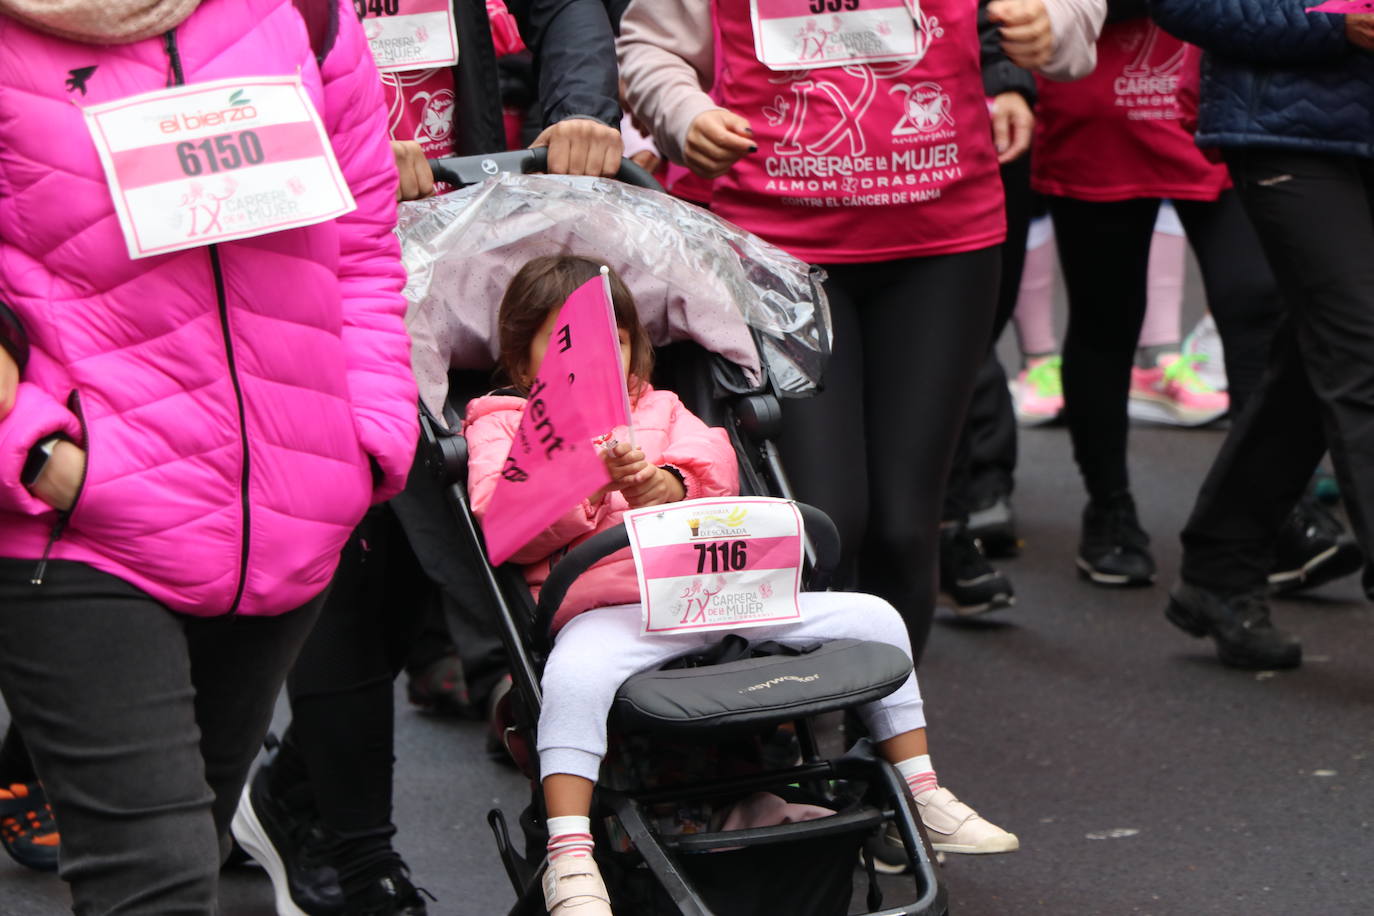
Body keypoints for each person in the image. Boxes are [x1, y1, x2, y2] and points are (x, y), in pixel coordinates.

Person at [0, 1, 418, 913]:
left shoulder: (304, 13)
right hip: (77, 530)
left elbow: (363, 241)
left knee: (193, 842)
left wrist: (367, 433)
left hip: (288, 516)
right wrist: (37, 458)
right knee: (158, 884)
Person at [465, 256, 1018, 916]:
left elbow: (717, 470)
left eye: (611, 341)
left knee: (875, 618)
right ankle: (571, 853)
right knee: (574, 679)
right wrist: (584, 478)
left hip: (721, 591)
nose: (596, 361)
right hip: (613, 610)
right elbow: (508, 526)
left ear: (636, 349)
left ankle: (922, 791)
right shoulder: (503, 424)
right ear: (527, 365)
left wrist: (662, 482)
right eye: (570, 349)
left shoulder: (662, 409)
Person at [618, 0, 1103, 662]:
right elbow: (651, 48)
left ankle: (886, 746)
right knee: (824, 520)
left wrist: (1055, 22)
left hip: (943, 248)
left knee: (907, 529)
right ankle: (805, 728)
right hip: (777, 255)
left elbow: (1070, 12)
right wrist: (685, 114)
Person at [1030, 4, 1287, 588]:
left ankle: (1264, 517)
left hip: (1210, 91)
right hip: (1096, 98)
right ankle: (1109, 509)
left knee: (1255, 307)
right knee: (1107, 318)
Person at [1150, 0, 1374, 669]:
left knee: (1318, 361)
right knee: (1362, 352)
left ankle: (1220, 569)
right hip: (1289, 132)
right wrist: (1334, 27)